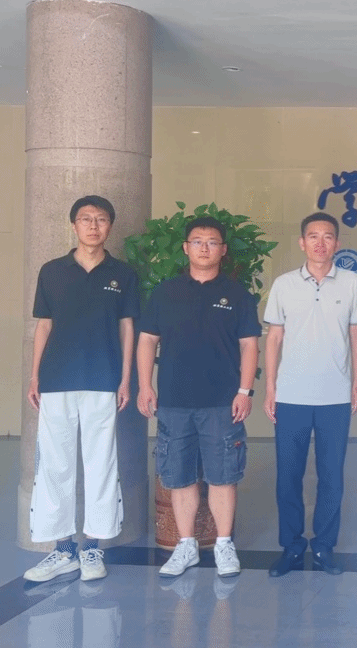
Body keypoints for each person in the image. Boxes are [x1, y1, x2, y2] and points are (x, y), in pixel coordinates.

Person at [137, 216, 261, 579]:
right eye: (197, 241)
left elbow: (249, 345)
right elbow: (147, 340)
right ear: (185, 248)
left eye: (211, 242)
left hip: (222, 402)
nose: (204, 248)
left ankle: (223, 544)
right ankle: (186, 545)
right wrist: (145, 385)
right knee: (179, 476)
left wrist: (244, 391)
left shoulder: (238, 295)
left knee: (223, 475)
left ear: (223, 250)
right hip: (174, 401)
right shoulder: (165, 292)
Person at [23, 196, 139, 583]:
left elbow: (127, 327)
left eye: (101, 219)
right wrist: (35, 375)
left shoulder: (123, 274)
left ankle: (91, 547)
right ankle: (63, 550)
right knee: (55, 464)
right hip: (56, 379)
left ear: (110, 226)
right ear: (74, 225)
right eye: (85, 219)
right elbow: (44, 325)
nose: (93, 225)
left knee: (100, 463)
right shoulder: (52, 271)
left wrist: (125, 379)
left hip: (103, 378)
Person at [262, 212, 357, 577]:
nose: (320, 243)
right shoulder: (284, 284)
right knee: (288, 477)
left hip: (335, 396)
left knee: (331, 476)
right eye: (313, 236)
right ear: (302, 242)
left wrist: (356, 382)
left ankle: (323, 546)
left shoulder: (352, 283)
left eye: (327, 236)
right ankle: (291, 547)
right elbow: (274, 337)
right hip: (291, 394)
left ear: (337, 243)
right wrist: (271, 387)